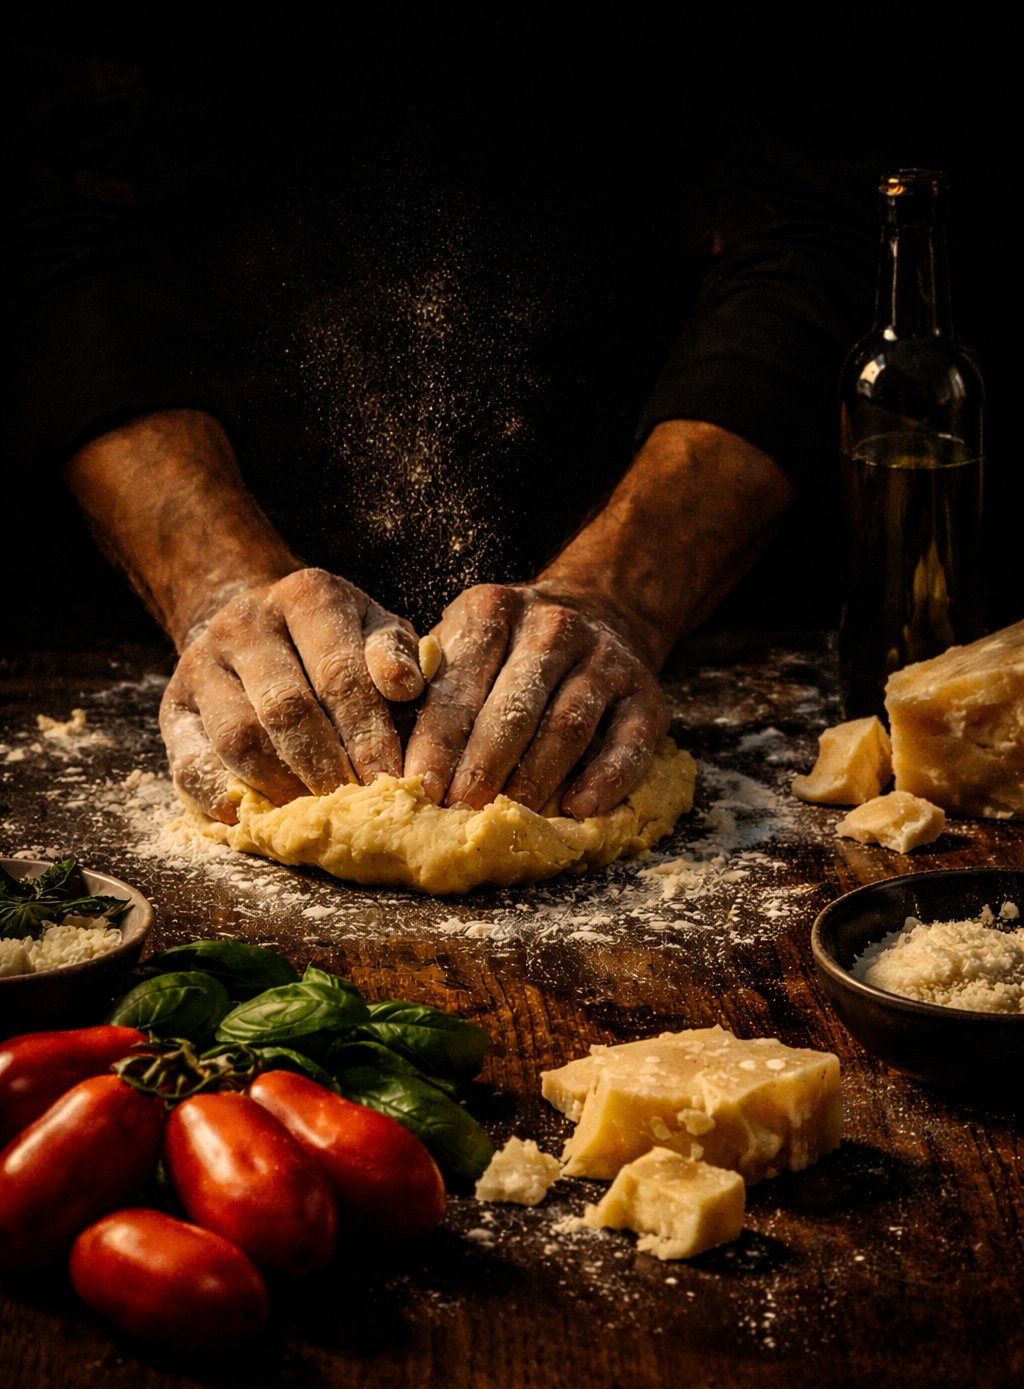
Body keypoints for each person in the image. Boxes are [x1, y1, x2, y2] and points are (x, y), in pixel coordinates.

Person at [18, 44, 1000, 824]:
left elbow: (819, 217)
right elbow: (47, 215)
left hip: (675, 529)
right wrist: (212, 578)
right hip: (167, 500)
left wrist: (622, 593)